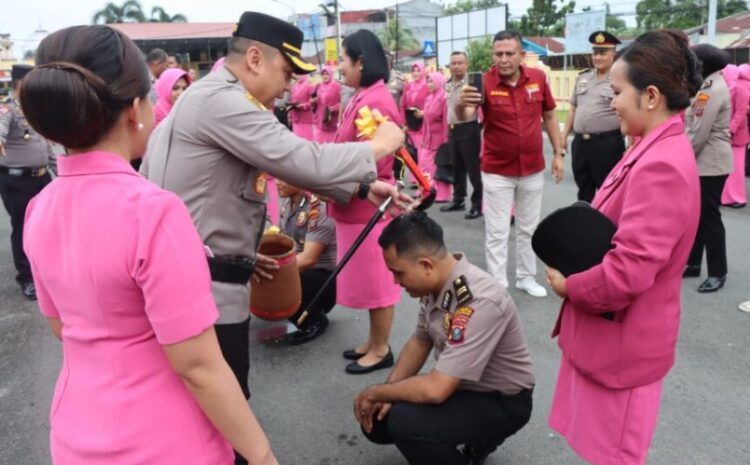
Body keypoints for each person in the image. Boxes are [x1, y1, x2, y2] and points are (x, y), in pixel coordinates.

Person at [141, 13, 406, 462]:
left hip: (201, 277)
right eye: (286, 74)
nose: (288, 88)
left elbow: (278, 168)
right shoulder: (223, 102)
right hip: (205, 292)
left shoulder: (209, 97)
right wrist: (378, 147)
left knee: (209, 412)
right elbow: (299, 157)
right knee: (223, 418)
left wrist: (361, 187)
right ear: (256, 58)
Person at [20, 24, 280, 465]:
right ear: (134, 111)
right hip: (162, 438)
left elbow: (62, 327)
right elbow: (198, 366)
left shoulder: (39, 207)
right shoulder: (153, 211)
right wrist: (261, 454)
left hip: (75, 430)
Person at [545, 29, 702, 465]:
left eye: (617, 92)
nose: (610, 101)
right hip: (615, 336)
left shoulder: (661, 165)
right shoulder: (650, 148)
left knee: (618, 456)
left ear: (650, 96)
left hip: (626, 343)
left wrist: (568, 286)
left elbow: (627, 271)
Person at [354, 212, 534, 465]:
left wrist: (376, 392)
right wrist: (384, 396)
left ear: (426, 265)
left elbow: (436, 390)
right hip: (463, 387)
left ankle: (482, 438)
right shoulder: (435, 285)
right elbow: (420, 342)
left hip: (502, 400)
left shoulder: (479, 299)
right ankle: (469, 438)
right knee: (378, 420)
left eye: (399, 273)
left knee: (405, 422)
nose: (395, 281)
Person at [457, 30, 564, 298]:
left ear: (521, 56)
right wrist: (461, 105)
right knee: (497, 231)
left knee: (529, 228)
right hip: (497, 171)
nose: (503, 59)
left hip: (532, 168)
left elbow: (550, 117)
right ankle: (497, 284)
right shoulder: (484, 82)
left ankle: (526, 278)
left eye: (509, 53)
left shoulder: (538, 79)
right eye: (498, 54)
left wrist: (559, 154)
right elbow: (466, 115)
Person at [332, 29, 404, 375]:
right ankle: (372, 341)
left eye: (344, 59)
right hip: (356, 204)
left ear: (360, 61)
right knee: (366, 279)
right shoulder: (363, 95)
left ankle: (381, 348)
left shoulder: (376, 100)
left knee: (379, 282)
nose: (339, 67)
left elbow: (375, 160)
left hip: (370, 204)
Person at [0, 64, 56, 300]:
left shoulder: (36, 109)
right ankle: (27, 277)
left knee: (47, 226)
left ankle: (45, 272)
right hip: (17, 181)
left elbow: (46, 145)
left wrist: (60, 172)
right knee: (23, 228)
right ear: (21, 83)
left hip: (42, 177)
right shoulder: (7, 109)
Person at [684, 44, 733, 293]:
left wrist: (682, 157)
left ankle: (717, 272)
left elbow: (699, 133)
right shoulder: (709, 86)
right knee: (698, 216)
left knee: (710, 218)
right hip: (706, 161)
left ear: (703, 65)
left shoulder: (710, 91)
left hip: (709, 163)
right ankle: (692, 264)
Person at [561, 31, 626, 202]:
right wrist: (563, 136)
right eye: (595, 53)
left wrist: (631, 145)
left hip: (607, 144)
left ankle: (606, 226)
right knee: (584, 189)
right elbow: (573, 108)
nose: (597, 57)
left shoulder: (621, 80)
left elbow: (628, 112)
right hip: (581, 143)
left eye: (603, 53)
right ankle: (585, 224)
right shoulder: (583, 77)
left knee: (608, 191)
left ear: (614, 54)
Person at [277, 179, 337, 344]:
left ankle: (315, 321)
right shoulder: (288, 203)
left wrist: (274, 271)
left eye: (282, 178)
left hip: (325, 277)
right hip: (304, 271)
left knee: (276, 280)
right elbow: (281, 242)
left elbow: (309, 259)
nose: (276, 182)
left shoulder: (318, 207)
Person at [442, 51, 483, 219]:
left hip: (469, 128)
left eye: (460, 63)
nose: (456, 66)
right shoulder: (448, 84)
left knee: (472, 168)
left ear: (467, 65)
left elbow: (474, 106)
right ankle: (458, 199)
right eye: (453, 63)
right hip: (452, 129)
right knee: (457, 167)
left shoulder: (471, 83)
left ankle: (477, 204)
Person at [415, 71, 451, 202]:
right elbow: (426, 121)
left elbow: (446, 121)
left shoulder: (444, 98)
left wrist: (446, 142)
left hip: (440, 139)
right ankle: (426, 189)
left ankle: (442, 194)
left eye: (432, 81)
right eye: (428, 81)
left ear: (439, 81)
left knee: (439, 167)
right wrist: (424, 138)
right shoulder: (429, 98)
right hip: (428, 139)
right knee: (424, 164)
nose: (429, 84)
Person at [720, 64, 749, 208]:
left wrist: (730, 129)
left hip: (736, 135)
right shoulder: (728, 87)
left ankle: (739, 198)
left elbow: (740, 112)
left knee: (737, 169)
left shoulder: (740, 88)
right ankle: (727, 197)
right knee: (729, 168)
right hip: (728, 134)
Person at [312, 66, 341, 143]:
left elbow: (342, 102)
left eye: (327, 74)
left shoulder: (337, 86)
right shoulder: (319, 86)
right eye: (323, 74)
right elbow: (317, 100)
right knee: (319, 145)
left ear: (331, 74)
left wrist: (334, 108)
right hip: (320, 120)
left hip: (331, 120)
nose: (325, 76)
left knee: (331, 147)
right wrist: (314, 101)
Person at [289, 74, 316, 140]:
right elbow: (292, 100)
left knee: (307, 140)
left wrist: (304, 105)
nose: (298, 76)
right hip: (295, 119)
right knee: (297, 140)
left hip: (306, 119)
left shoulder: (309, 86)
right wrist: (290, 114)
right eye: (297, 74)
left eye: (300, 74)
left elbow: (314, 101)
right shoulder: (294, 86)